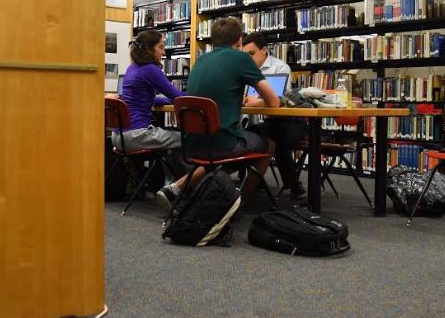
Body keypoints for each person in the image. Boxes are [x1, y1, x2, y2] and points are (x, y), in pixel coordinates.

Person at [157, 16, 279, 203]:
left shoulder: (200, 61)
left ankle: (176, 187)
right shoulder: (241, 58)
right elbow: (274, 102)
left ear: (212, 40)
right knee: (269, 143)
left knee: (220, 150)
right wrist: (257, 102)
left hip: (192, 143)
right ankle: (239, 201)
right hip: (222, 144)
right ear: (239, 40)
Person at [111, 30, 205, 210]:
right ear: (148, 49)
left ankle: (181, 186)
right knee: (187, 139)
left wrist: (165, 99)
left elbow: (144, 99)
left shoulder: (132, 69)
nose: (164, 52)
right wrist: (200, 95)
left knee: (173, 142)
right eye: (161, 47)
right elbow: (177, 97)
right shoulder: (151, 70)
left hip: (119, 137)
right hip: (136, 135)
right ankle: (189, 187)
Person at [242, 31, 308, 199]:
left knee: (275, 137)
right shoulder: (245, 70)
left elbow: (279, 100)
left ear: (264, 50)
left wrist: (257, 102)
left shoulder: (280, 67)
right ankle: (252, 181)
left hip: (291, 122)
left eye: (251, 54)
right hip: (267, 123)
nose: (248, 59)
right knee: (249, 135)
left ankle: (292, 184)